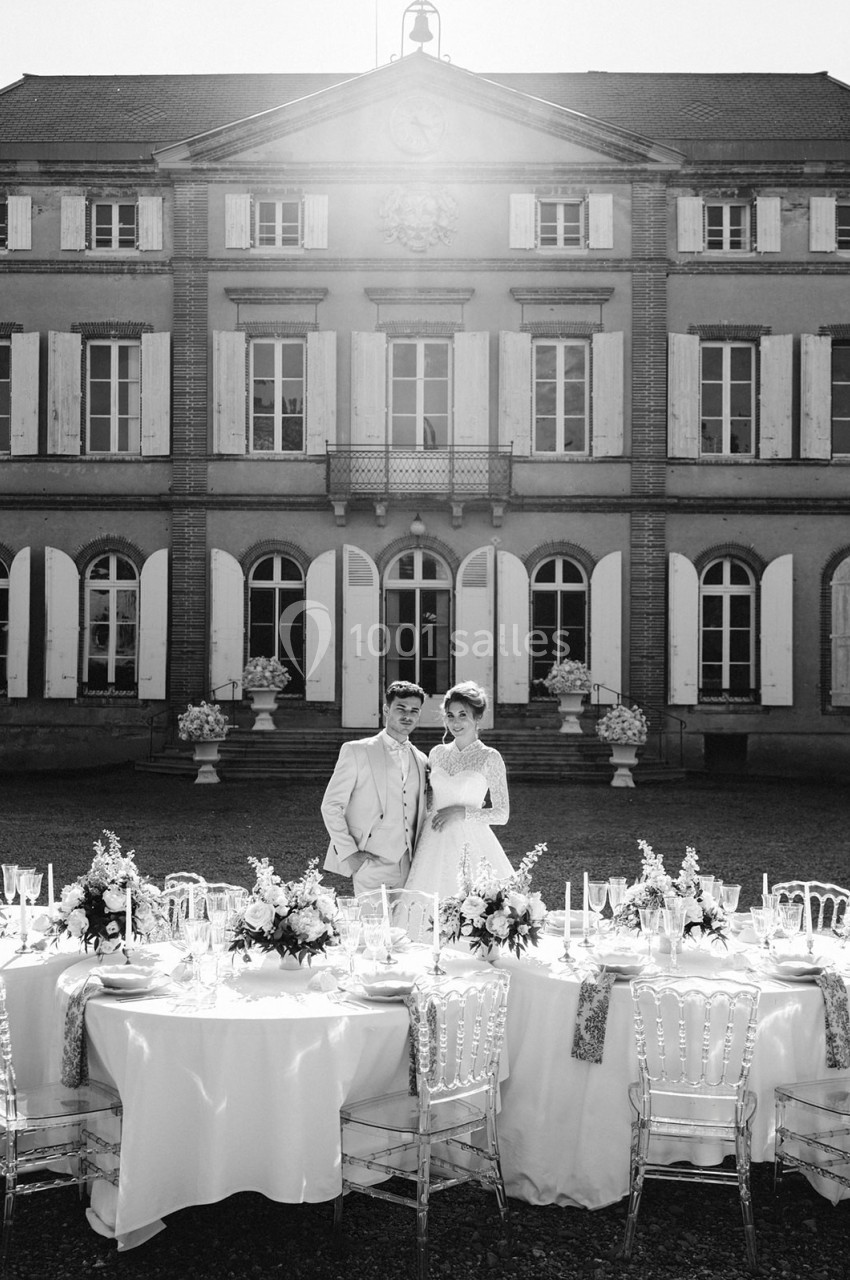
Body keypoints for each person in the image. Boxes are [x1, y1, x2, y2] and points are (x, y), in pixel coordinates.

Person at [405, 681, 513, 899]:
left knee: (474, 904)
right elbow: (429, 797)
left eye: (463, 715)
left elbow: (502, 814)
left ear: (477, 717)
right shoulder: (437, 753)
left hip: (471, 840)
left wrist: (461, 812)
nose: (455, 722)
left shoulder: (490, 757)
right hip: (433, 839)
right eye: (450, 715)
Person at [321, 681, 429, 896]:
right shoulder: (357, 751)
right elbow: (331, 805)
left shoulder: (421, 759)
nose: (407, 716)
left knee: (408, 918)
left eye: (414, 711)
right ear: (386, 710)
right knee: (371, 918)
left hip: (411, 863)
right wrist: (349, 853)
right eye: (401, 709)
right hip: (369, 860)